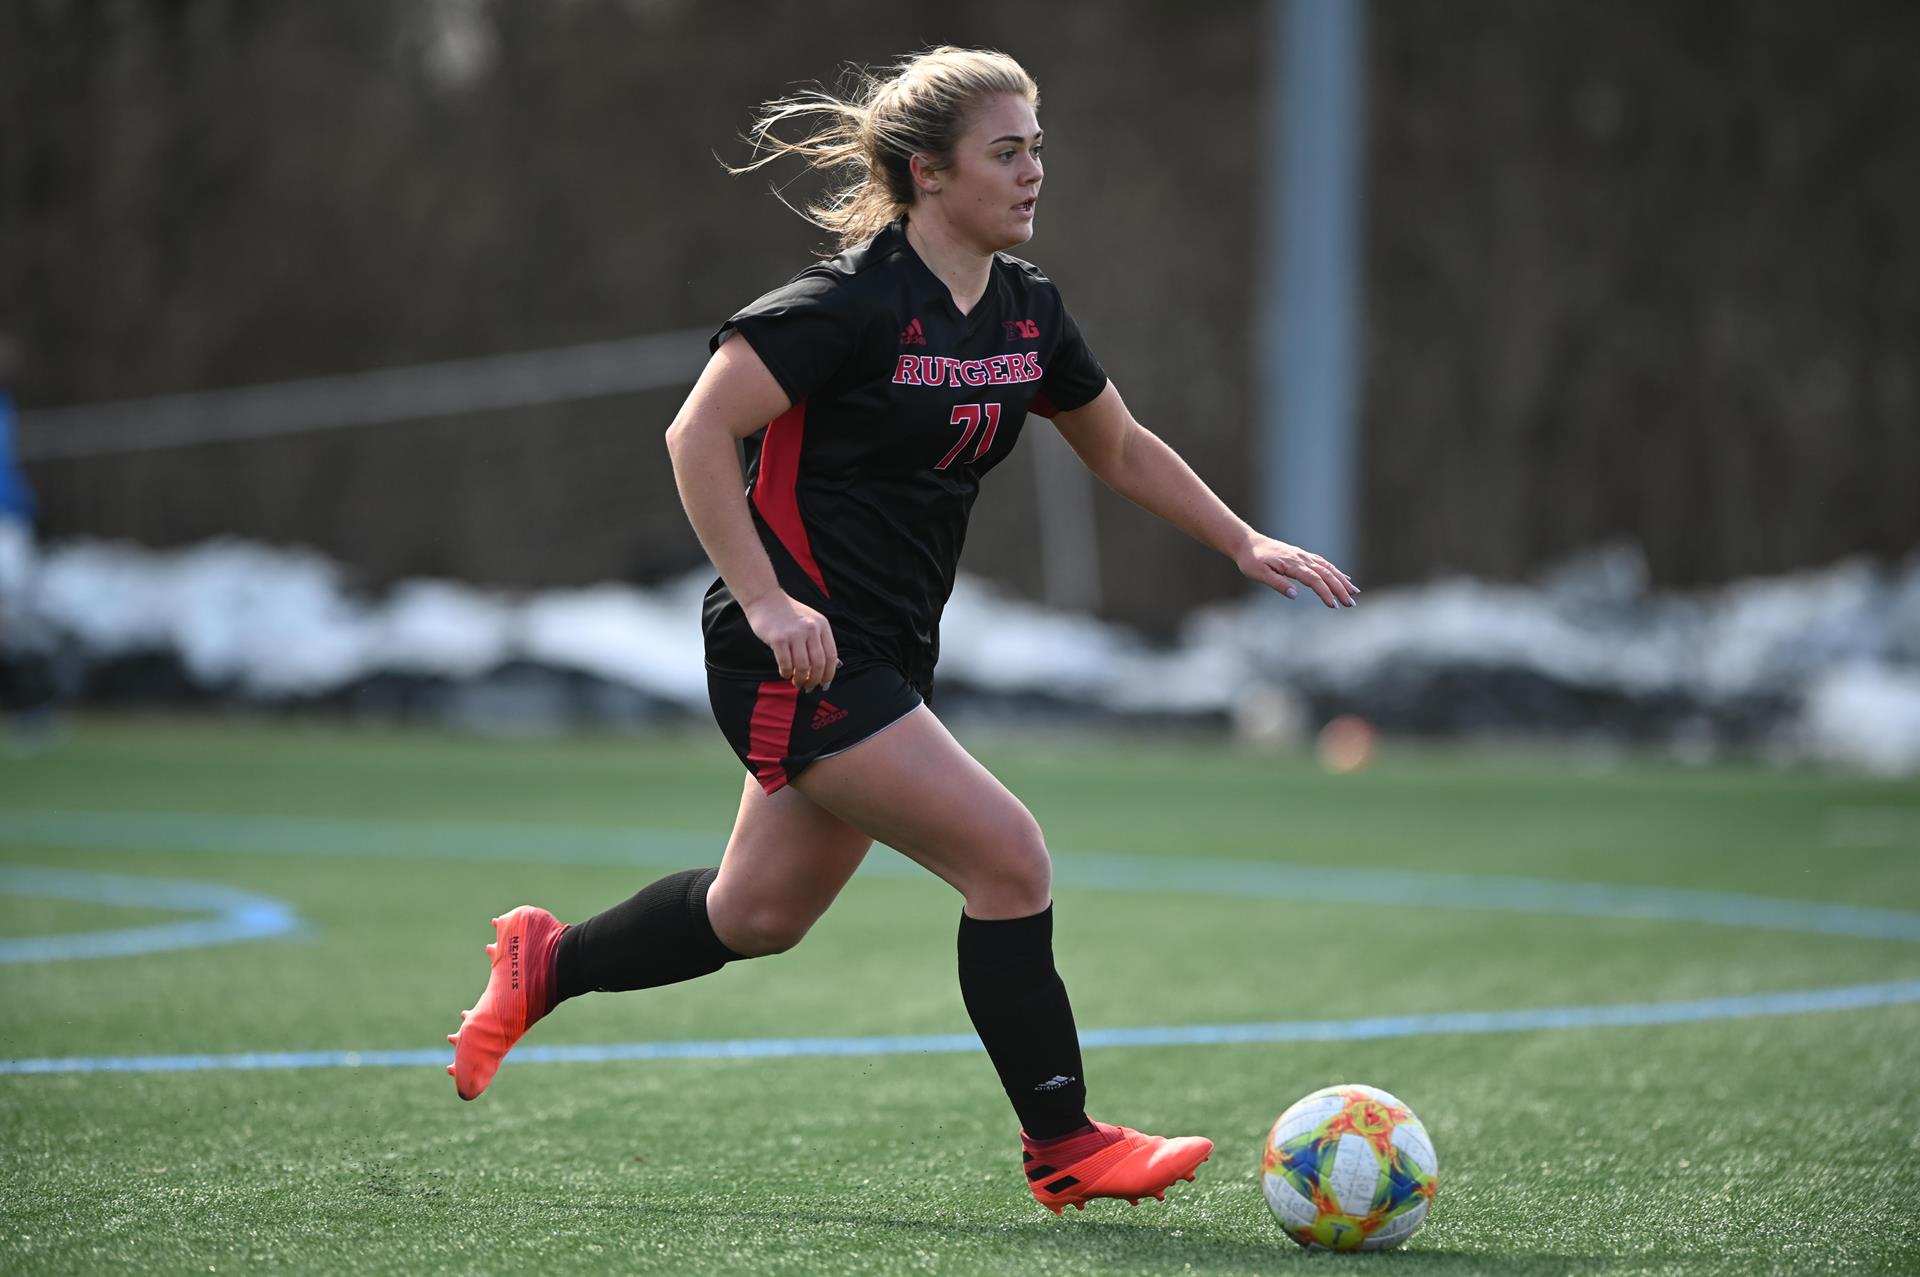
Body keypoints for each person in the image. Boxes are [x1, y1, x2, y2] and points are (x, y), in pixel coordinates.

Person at [448, 46, 1357, 1215]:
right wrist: (773, 602)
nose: (1034, 172)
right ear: (929, 174)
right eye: (1007, 151)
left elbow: (1119, 446)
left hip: (883, 655)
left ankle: (549, 961)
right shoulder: (848, 304)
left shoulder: (1027, 313)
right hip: (790, 651)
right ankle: (1064, 1142)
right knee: (1009, 857)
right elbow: (696, 433)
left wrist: (1242, 542)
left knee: (757, 914)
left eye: (1038, 147)